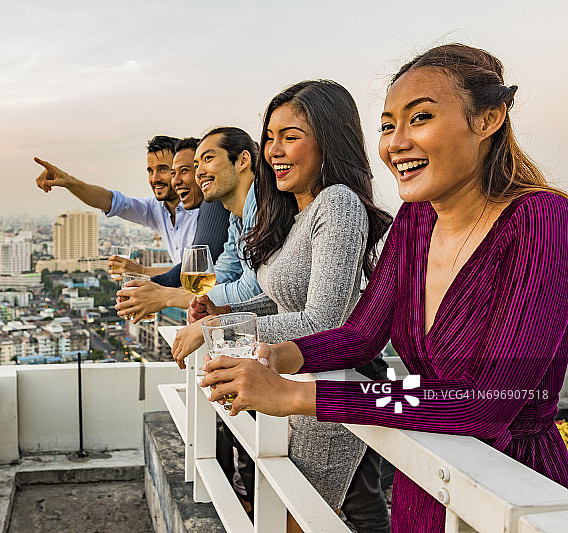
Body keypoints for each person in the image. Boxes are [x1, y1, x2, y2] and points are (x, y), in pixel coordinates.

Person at [200, 44, 568, 533]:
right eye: (388, 125)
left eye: (420, 118)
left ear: (488, 119)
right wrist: (281, 355)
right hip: (425, 479)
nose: (396, 143)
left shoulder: (542, 223)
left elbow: (488, 402)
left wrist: (296, 398)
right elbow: (363, 334)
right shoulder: (416, 220)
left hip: (509, 490)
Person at [172, 80, 393, 531]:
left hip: (326, 390)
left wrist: (216, 331)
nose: (274, 150)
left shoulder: (339, 204)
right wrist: (218, 313)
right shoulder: (298, 215)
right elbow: (278, 298)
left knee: (305, 521)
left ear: (329, 142)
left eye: (290, 137)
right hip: (289, 384)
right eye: (269, 137)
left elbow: (321, 320)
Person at [115, 127, 262, 322]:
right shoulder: (237, 217)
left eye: (207, 159)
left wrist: (166, 296)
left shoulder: (262, 206)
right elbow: (226, 271)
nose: (199, 172)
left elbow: (251, 290)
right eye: (196, 165)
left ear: (243, 160)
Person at [34, 135, 198, 265]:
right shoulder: (157, 208)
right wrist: (70, 182)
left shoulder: (204, 209)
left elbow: (195, 271)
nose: (154, 179)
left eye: (163, 169)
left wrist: (141, 271)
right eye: (150, 171)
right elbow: (112, 202)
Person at [107, 137, 230, 285]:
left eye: (185, 170)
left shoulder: (215, 203)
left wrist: (149, 285)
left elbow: (197, 265)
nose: (176, 181)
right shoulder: (228, 212)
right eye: (173, 173)